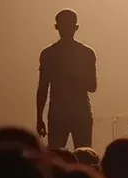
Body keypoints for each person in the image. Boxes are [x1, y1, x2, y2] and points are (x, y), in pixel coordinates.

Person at [36, 9, 97, 149]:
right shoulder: (87, 53)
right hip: (81, 112)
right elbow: (92, 87)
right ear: (76, 27)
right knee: (84, 156)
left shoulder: (48, 54)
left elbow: (43, 88)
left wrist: (39, 118)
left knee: (55, 156)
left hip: (58, 113)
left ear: (57, 27)